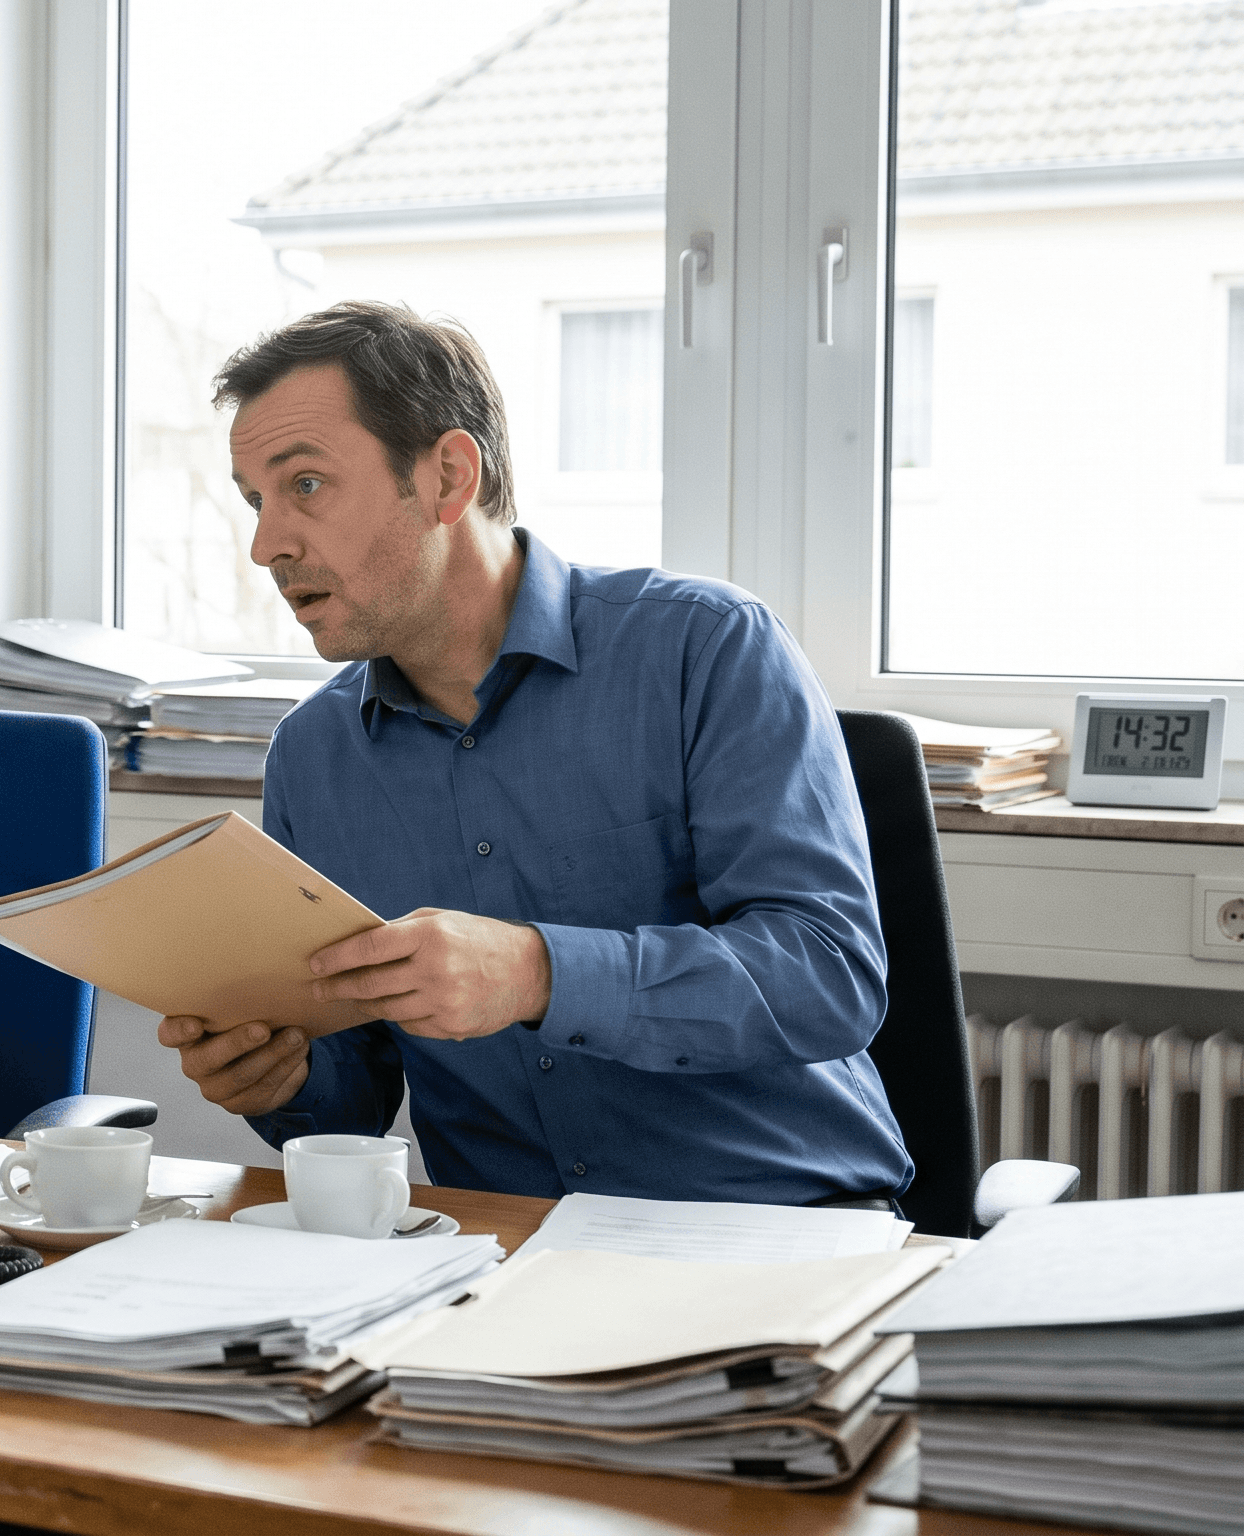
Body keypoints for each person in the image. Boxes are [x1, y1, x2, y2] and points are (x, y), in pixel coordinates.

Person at [158, 301, 911, 1206]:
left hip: (774, 1226)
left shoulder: (706, 649)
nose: (266, 544)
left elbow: (827, 975)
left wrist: (537, 974)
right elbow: (348, 1098)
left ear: (446, 476)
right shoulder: (314, 755)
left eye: (306, 485)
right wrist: (281, 1082)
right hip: (500, 1247)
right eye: (255, 501)